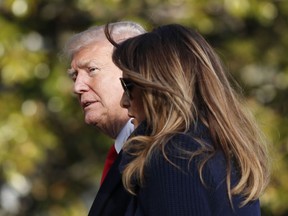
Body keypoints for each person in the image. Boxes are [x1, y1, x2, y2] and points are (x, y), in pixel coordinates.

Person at [105, 23, 271, 215]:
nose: (124, 101)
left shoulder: (175, 155)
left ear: (159, 87)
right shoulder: (215, 149)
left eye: (128, 86)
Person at [63, 21, 146, 216]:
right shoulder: (124, 151)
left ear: (132, 71)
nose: (77, 87)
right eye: (74, 76)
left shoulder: (168, 147)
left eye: (91, 70)